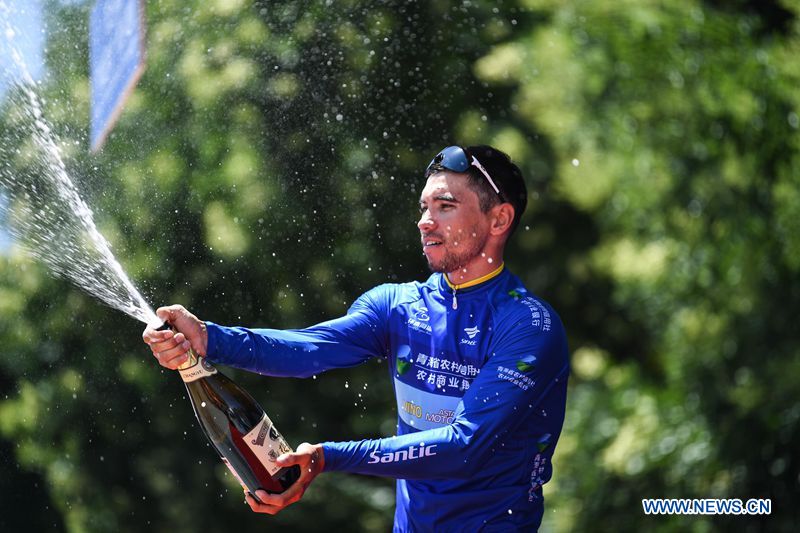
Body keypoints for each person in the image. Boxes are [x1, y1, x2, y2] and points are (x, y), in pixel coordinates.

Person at [143, 145, 570, 532]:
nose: (425, 221)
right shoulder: (399, 305)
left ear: (499, 219)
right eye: (424, 206)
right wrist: (208, 338)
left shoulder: (530, 327)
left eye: (445, 206)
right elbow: (308, 350)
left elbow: (463, 448)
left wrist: (328, 457)